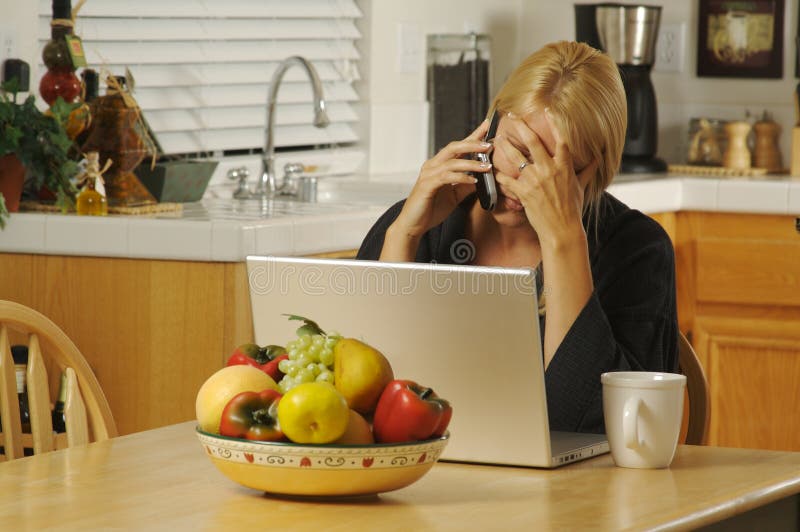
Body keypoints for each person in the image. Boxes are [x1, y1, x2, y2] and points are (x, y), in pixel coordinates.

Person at [356, 40, 678, 434]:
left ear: (596, 171)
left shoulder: (638, 250)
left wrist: (563, 242)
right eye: (519, 149)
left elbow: (586, 424)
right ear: (490, 125)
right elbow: (358, 398)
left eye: (556, 168)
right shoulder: (423, 222)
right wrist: (404, 233)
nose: (527, 181)